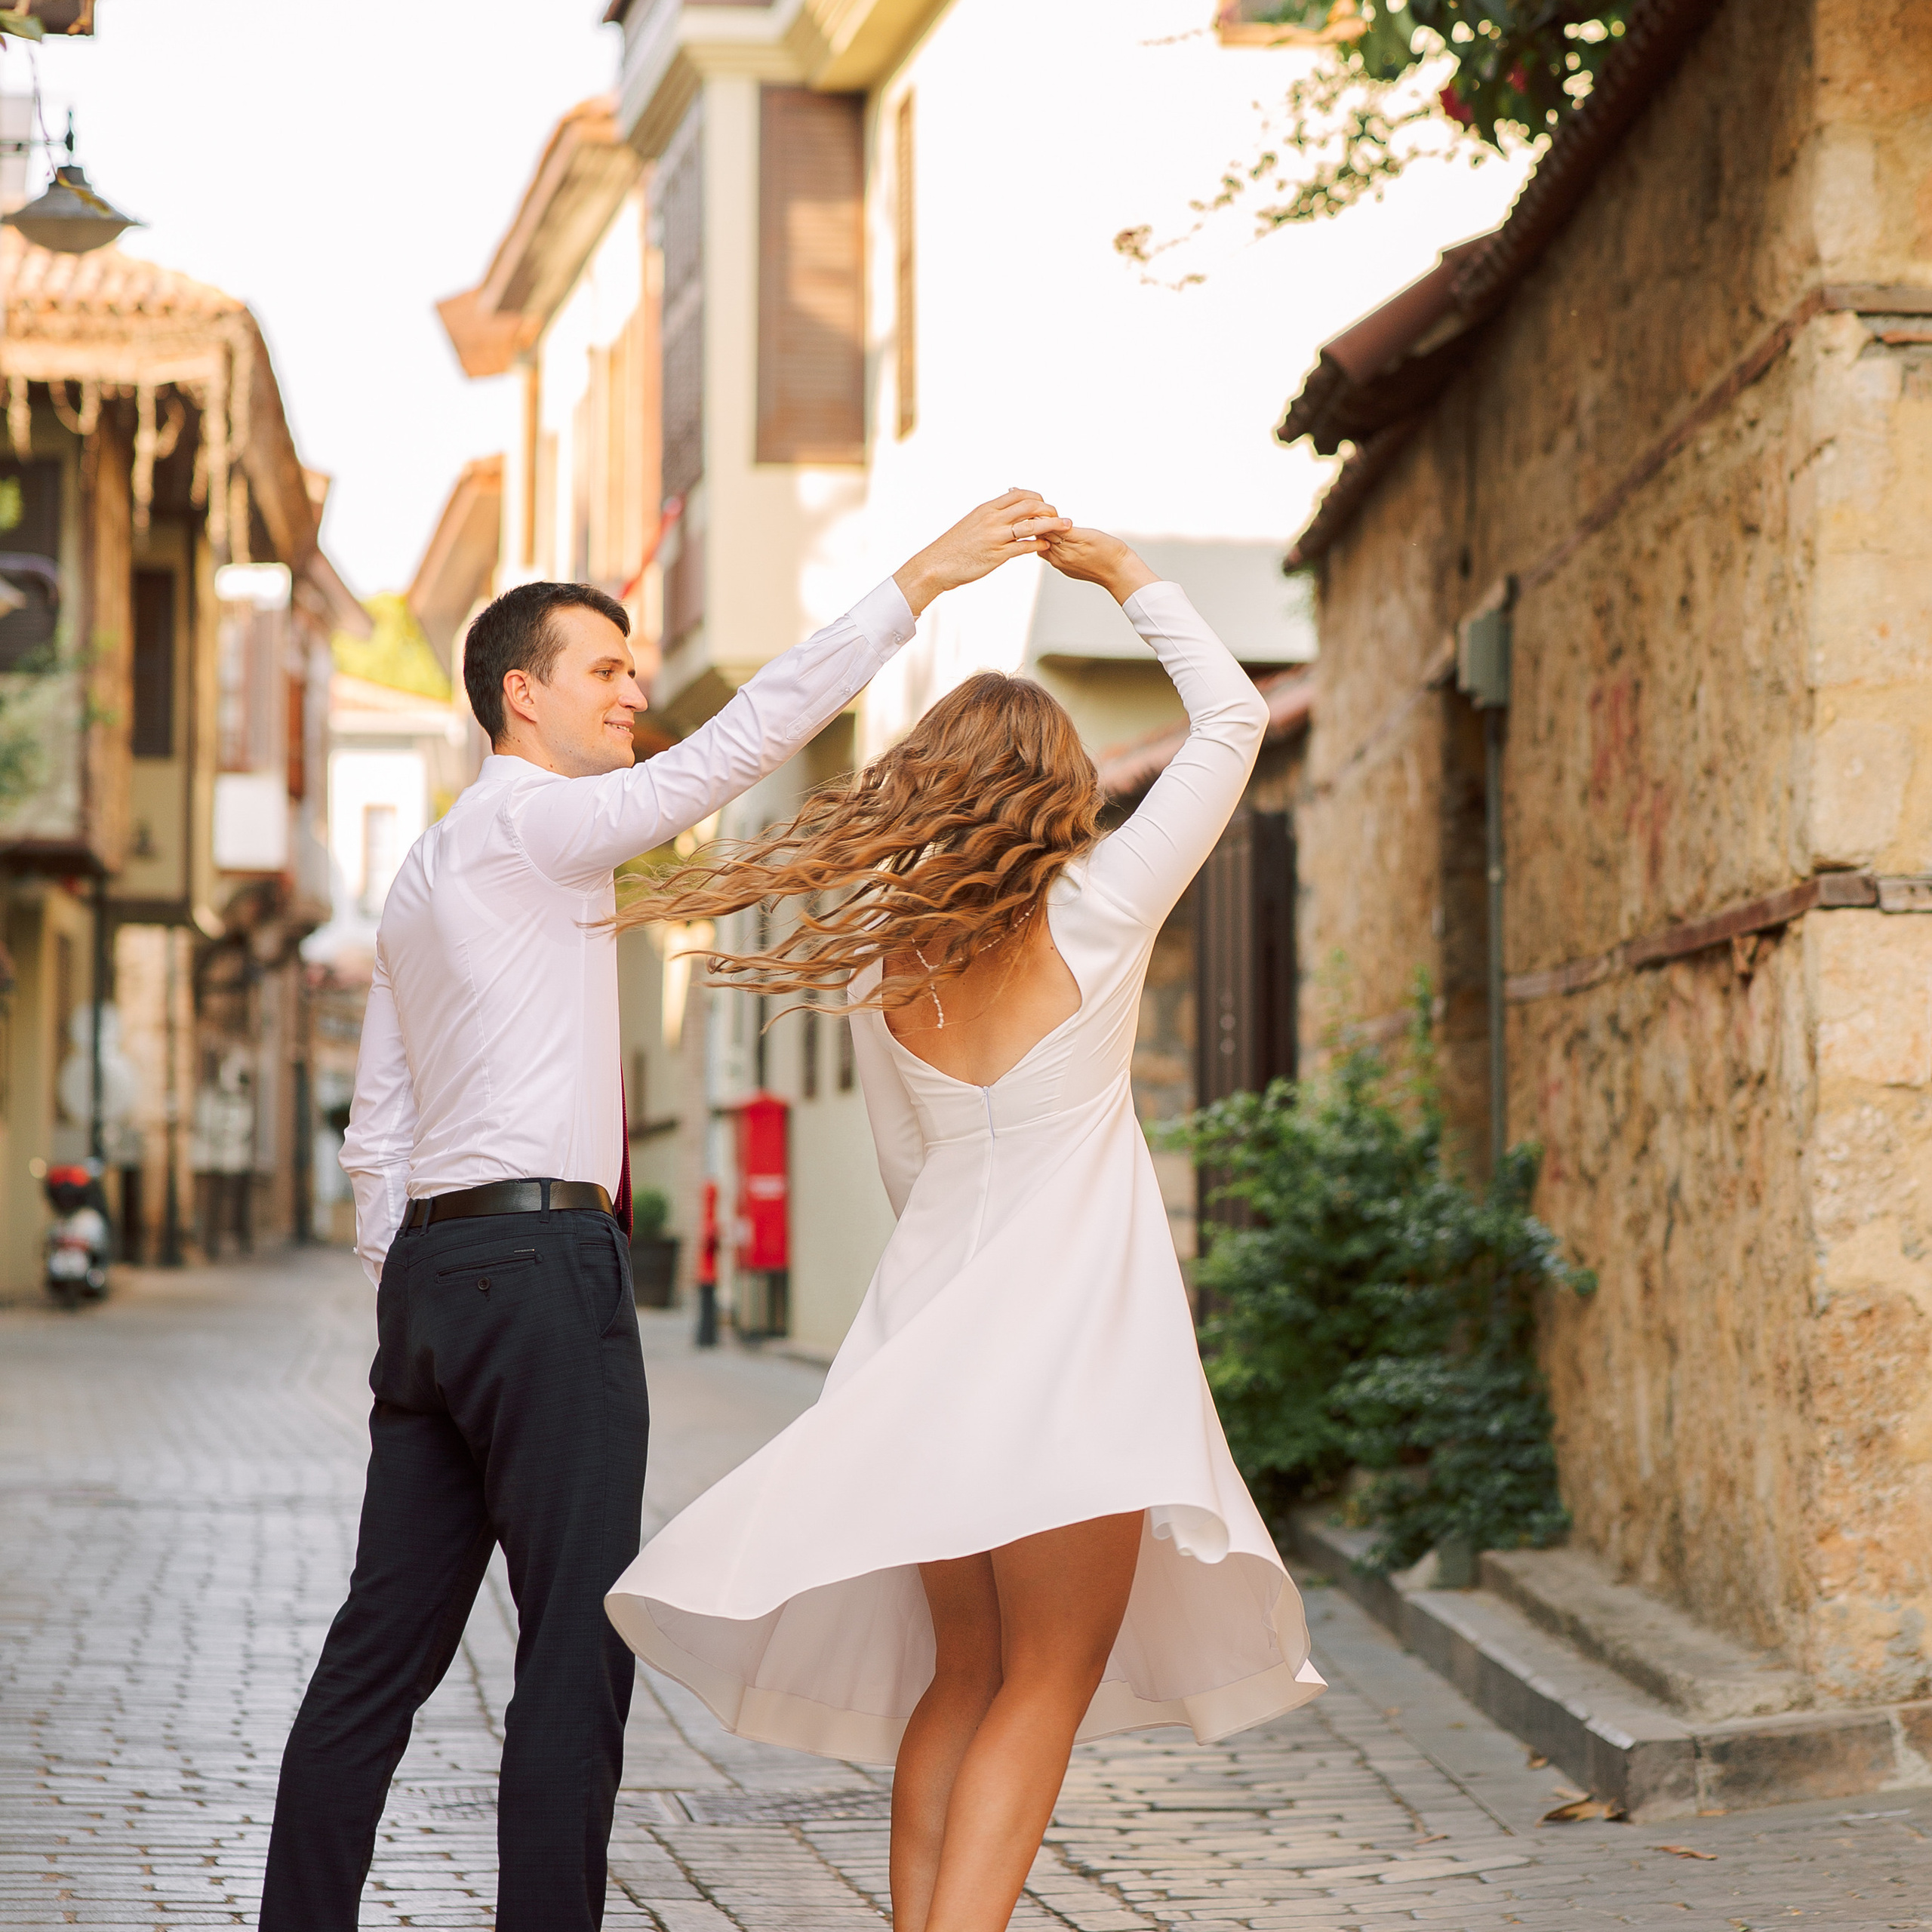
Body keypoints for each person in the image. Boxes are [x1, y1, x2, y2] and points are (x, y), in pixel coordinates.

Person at [257, 489, 1069, 1932]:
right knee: (576, 1648)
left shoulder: (431, 866)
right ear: (523, 695)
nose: (633, 690)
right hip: (542, 1265)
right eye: (605, 671)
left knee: (379, 1651)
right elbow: (746, 738)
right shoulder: (541, 831)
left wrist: (409, 1286)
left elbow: (377, 1130)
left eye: (636, 669)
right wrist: (921, 584)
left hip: (438, 1287)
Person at [603, 528, 1325, 1932]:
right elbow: (1233, 717)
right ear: (1057, 798)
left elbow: (904, 1167)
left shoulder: (891, 962)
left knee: (966, 1678)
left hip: (927, 1354)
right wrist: (1122, 573)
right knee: (1046, 1683)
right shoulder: (1101, 909)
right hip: (1077, 1368)